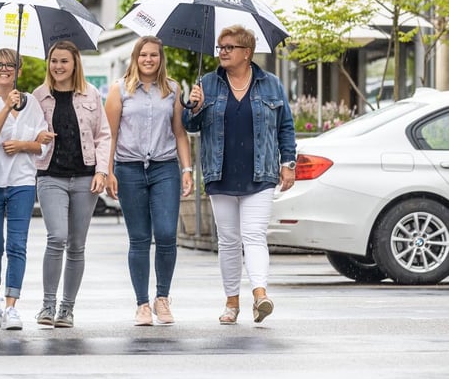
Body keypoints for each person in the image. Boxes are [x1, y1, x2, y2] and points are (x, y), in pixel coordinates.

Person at [184, 24, 296, 325]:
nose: (222, 52)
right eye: (220, 47)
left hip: (260, 173)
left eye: (229, 47)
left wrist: (288, 163)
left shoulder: (271, 84)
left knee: (254, 234)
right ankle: (231, 302)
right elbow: (190, 126)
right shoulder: (208, 83)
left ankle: (260, 295)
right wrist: (193, 107)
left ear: (247, 52)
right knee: (229, 240)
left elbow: (285, 126)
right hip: (220, 173)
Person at [104, 36, 194, 326]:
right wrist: (108, 171)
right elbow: (109, 135)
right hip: (129, 169)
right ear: (135, 57)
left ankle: (162, 298)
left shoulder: (173, 90)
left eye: (154, 55)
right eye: (143, 55)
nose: (148, 59)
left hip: (164, 167)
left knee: (167, 234)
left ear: (160, 58)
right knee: (140, 238)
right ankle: (142, 304)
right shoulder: (119, 90)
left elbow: (179, 133)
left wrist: (187, 169)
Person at [0, 48, 52, 331]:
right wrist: (6, 107)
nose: (4, 69)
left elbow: (42, 144)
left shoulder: (32, 103)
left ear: (19, 71)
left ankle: (11, 306)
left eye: (10, 65)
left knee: (17, 245)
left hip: (22, 182)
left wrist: (26, 144)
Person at [31, 40, 111, 328]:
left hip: (85, 177)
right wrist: (37, 137)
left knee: (77, 245)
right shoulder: (38, 96)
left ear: (75, 64)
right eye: (54, 61)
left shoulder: (91, 94)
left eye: (64, 61)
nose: (58, 66)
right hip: (50, 175)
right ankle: (47, 305)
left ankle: (67, 309)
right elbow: (27, 133)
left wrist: (102, 171)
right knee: (57, 237)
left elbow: (103, 135)